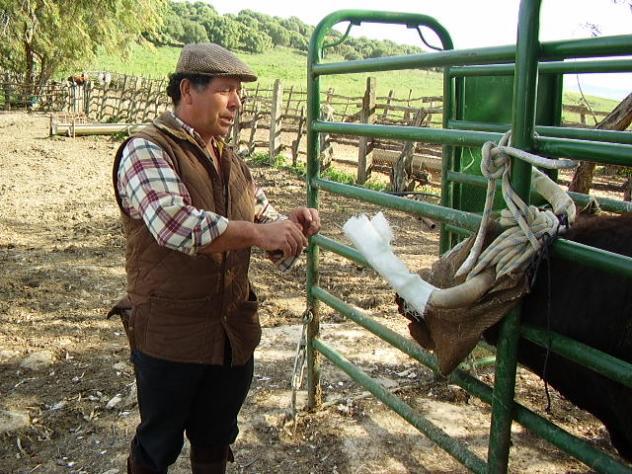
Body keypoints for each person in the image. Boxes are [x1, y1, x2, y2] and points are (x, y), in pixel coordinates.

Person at [110, 43, 320, 474]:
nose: (237, 102)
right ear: (188, 90)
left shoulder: (232, 161)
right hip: (171, 335)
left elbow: (262, 220)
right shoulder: (147, 149)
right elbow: (174, 224)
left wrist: (289, 229)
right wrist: (260, 232)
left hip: (230, 334)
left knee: (216, 439)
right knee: (157, 446)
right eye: (226, 90)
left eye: (238, 92)